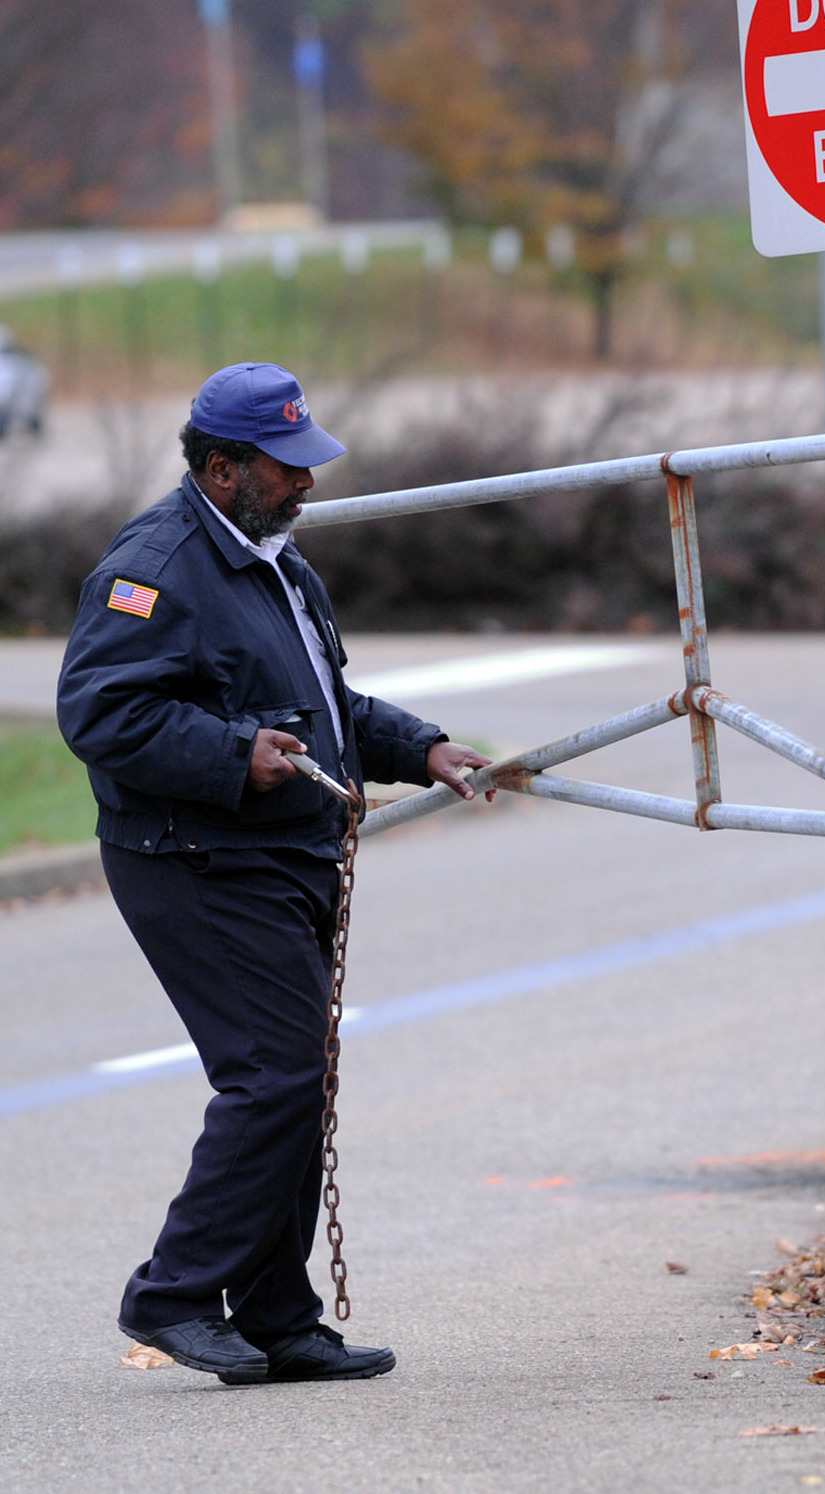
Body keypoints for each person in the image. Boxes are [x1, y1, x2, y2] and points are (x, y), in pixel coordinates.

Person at [57, 363, 492, 1386]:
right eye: (286, 467)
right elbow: (102, 715)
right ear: (221, 469)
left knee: (297, 1080)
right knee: (276, 1076)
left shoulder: (278, 564)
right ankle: (171, 1295)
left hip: (280, 854)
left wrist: (423, 745)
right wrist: (229, 754)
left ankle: (274, 1316)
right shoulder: (156, 566)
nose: (307, 482)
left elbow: (321, 709)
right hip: (196, 860)